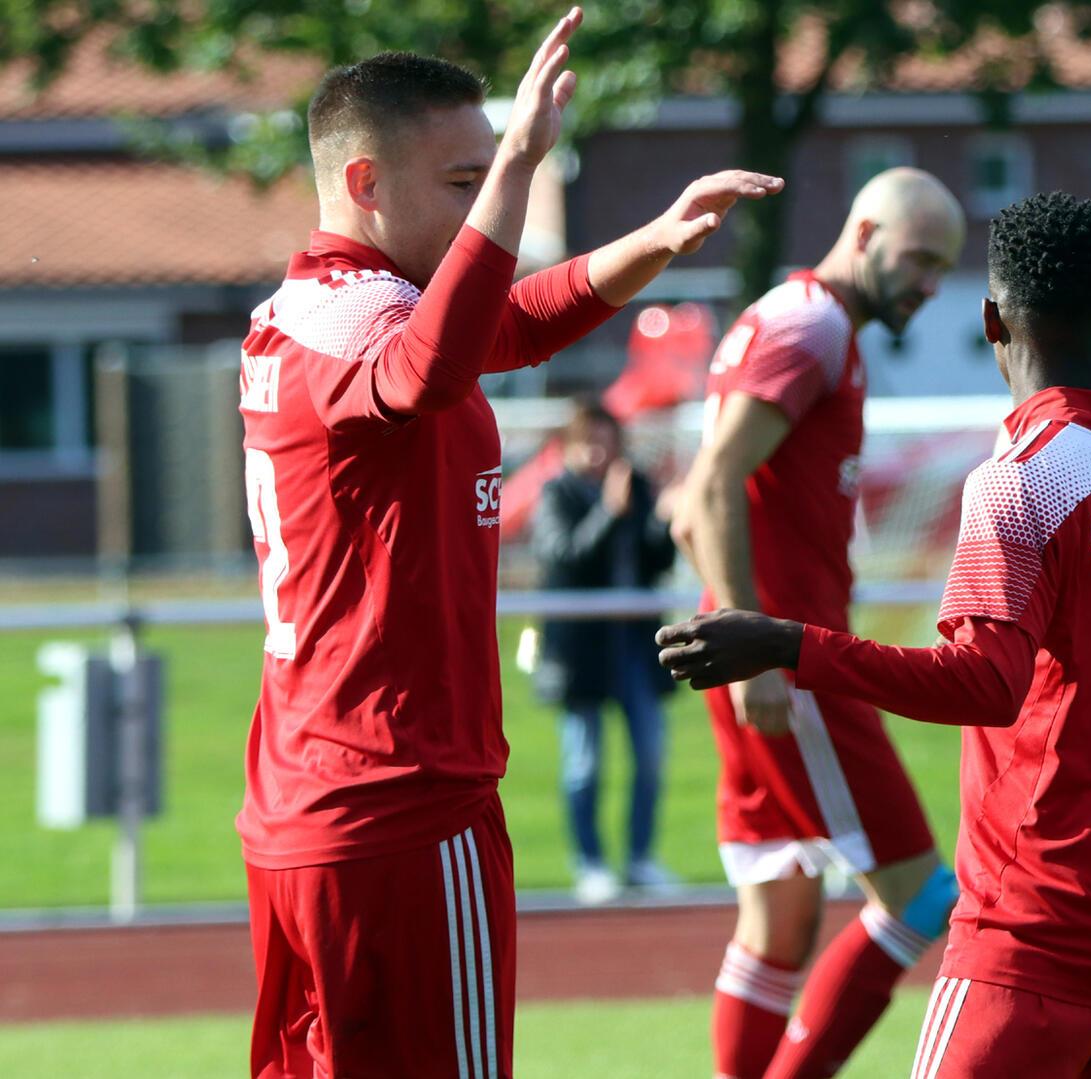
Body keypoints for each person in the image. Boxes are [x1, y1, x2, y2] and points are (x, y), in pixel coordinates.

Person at [235, 12, 781, 1076]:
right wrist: (527, 158)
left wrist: (648, 245)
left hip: (310, 804)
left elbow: (507, 327)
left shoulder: (320, 306)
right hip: (401, 797)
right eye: (462, 180)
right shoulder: (367, 323)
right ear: (364, 183)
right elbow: (431, 372)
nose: (492, 205)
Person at [659, 191, 1091, 1079]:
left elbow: (983, 682)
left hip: (1039, 918)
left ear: (989, 320)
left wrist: (790, 643)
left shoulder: (1018, 480)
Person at [670, 167, 967, 1079]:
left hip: (764, 653)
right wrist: (753, 647)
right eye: (917, 257)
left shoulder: (799, 319)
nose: (926, 282)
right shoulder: (814, 325)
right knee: (926, 900)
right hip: (787, 663)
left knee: (781, 914)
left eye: (941, 268)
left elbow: (704, 502)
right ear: (865, 230)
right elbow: (708, 488)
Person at [530, 400, 681, 904]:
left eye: (605, 442)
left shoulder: (635, 487)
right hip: (580, 651)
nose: (597, 453)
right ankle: (590, 864)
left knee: (651, 756)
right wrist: (607, 514)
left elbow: (655, 561)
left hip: (636, 645)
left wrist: (665, 521)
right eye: (587, 443)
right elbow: (566, 557)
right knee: (584, 763)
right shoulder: (556, 493)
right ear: (569, 448)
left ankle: (640, 859)